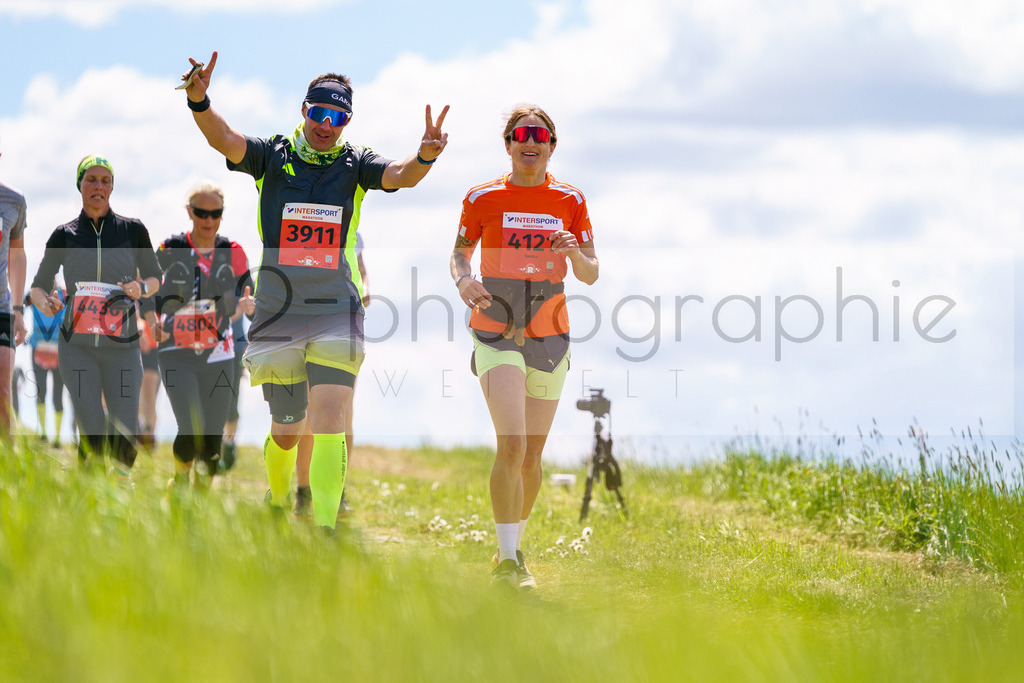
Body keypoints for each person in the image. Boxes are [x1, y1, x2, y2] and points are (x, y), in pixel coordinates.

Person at [181, 51, 448, 533]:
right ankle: (279, 500)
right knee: (286, 430)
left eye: (338, 116)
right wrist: (200, 101)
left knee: (329, 418)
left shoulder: (356, 163)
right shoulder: (272, 155)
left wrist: (425, 154)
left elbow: (399, 176)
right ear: (304, 110)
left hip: (335, 307)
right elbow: (225, 138)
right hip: (278, 308)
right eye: (319, 113)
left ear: (347, 120)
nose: (327, 124)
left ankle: (325, 527)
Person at [450, 105, 599, 589]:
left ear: (552, 145)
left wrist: (573, 251)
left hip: (550, 327)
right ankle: (510, 562)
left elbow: (591, 272)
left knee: (532, 457)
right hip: (494, 322)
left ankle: (511, 544)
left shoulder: (570, 199)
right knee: (511, 444)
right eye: (520, 134)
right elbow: (458, 253)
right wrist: (464, 279)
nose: (529, 142)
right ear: (509, 144)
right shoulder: (482, 196)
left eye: (540, 135)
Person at [29, 155, 162, 477]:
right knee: (91, 428)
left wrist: (139, 287)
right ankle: (91, 498)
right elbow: (38, 287)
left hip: (123, 346)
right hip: (77, 347)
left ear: (112, 186)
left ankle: (119, 487)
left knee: (126, 433)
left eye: (105, 180)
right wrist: (45, 302)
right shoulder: (64, 234)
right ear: (80, 185)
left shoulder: (133, 230)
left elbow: (156, 278)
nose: (98, 186)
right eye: (91, 179)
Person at [151, 181, 252, 491]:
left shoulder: (233, 252)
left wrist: (246, 307)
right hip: (175, 350)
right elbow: (150, 289)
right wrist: (150, 319)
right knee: (190, 425)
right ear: (189, 212)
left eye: (216, 213)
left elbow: (247, 298)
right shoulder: (170, 248)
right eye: (201, 213)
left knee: (211, 439)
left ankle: (201, 499)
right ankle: (180, 482)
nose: (208, 220)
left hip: (219, 353)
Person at [294, 230, 369, 517]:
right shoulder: (305, 219)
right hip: (305, 322)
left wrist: (365, 290)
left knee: (344, 412)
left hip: (345, 322)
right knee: (311, 410)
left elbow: (362, 269)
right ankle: (303, 490)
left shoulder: (352, 229)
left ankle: (337, 489)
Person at [0, 147, 28, 441]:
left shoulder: (13, 200)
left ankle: (11, 469)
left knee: (2, 391)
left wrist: (18, 310)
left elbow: (17, 255)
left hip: (2, 307)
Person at [25, 287, 67, 446]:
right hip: (38, 350)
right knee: (40, 392)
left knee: (58, 396)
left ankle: (57, 439)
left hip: (59, 352)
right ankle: (42, 435)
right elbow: (20, 304)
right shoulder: (33, 294)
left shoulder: (65, 294)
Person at [137, 315, 160, 451]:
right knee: (136, 395)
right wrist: (140, 332)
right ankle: (139, 429)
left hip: (153, 346)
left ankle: (148, 433)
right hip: (132, 343)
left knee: (149, 392)